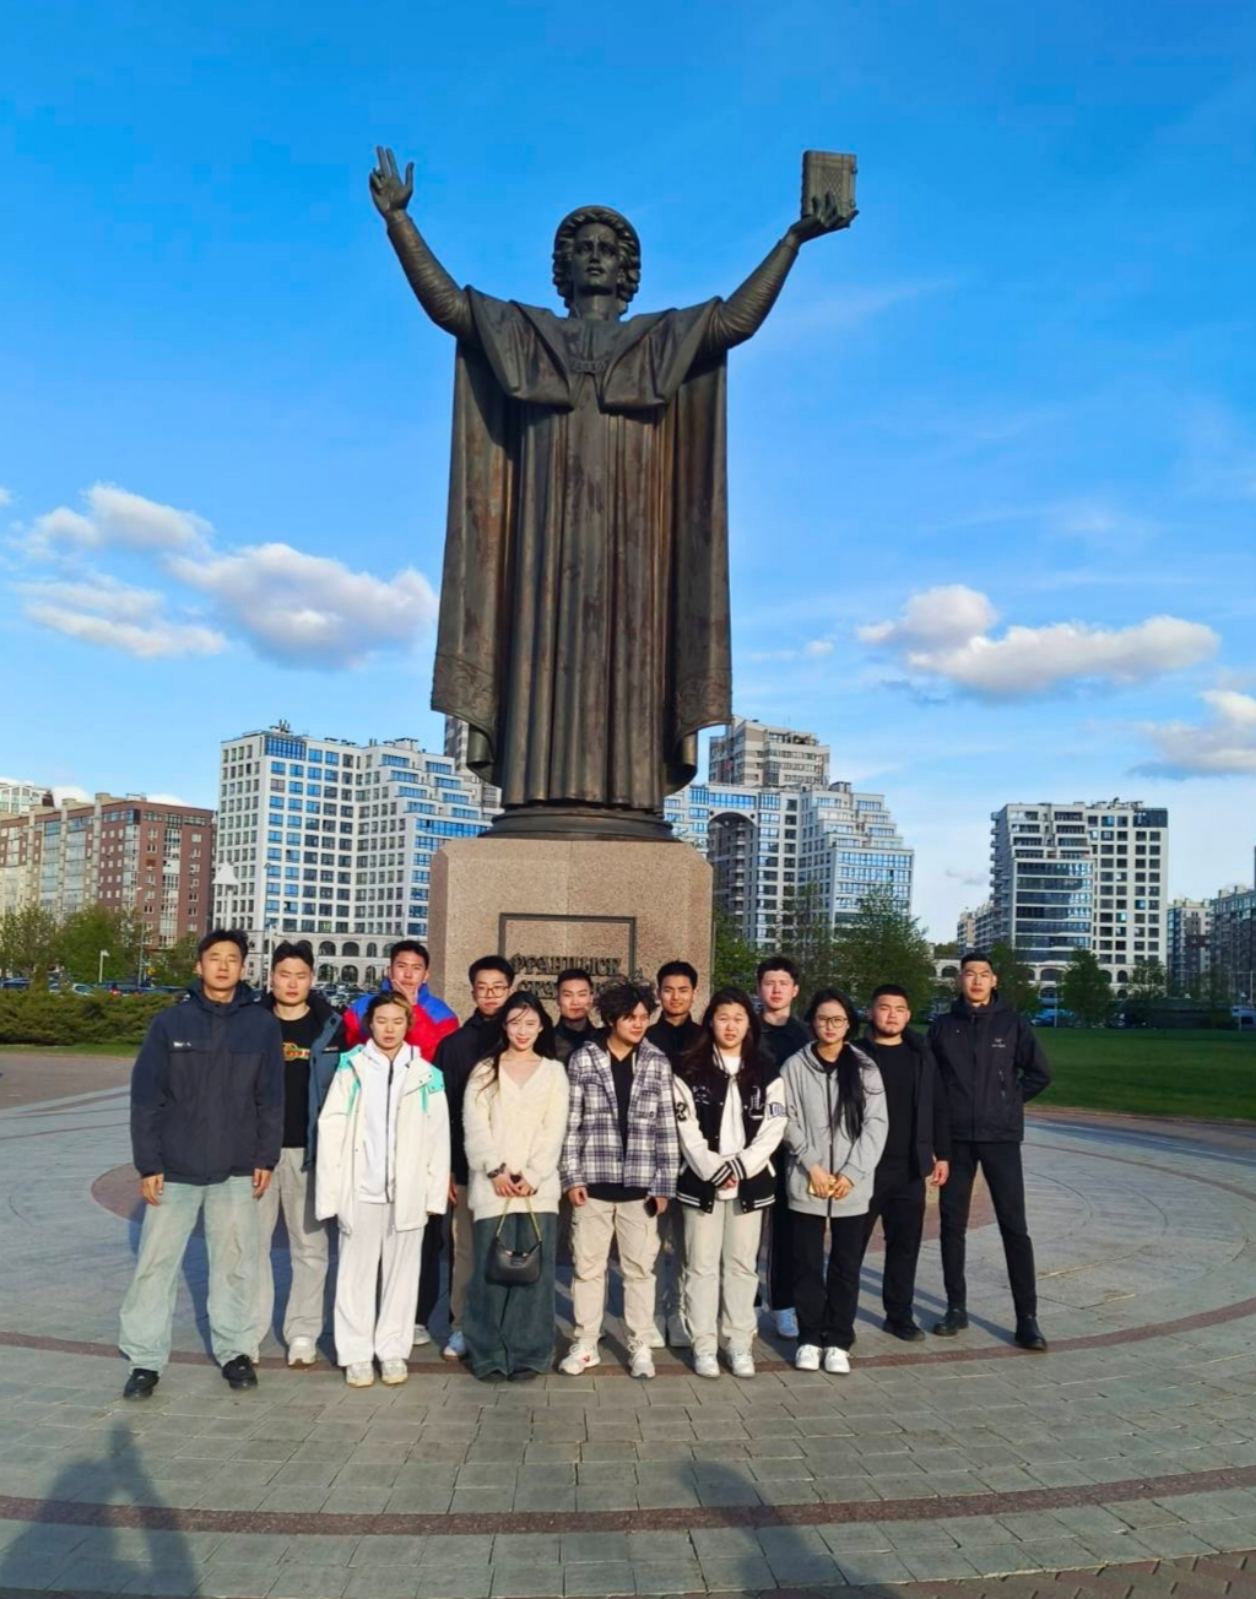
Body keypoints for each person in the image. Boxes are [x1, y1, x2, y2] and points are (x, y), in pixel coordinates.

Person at [119, 930, 283, 1400]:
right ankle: (145, 1360)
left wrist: (265, 1156)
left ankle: (236, 1351)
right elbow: (146, 1099)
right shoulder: (170, 1023)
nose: (224, 966)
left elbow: (271, 1098)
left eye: (233, 959)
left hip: (236, 1168)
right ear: (199, 966)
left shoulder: (261, 1026)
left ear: (243, 968)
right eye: (215, 958)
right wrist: (148, 1163)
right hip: (175, 1169)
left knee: (235, 1264)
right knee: (155, 1266)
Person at [316, 992, 450, 1387]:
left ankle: (392, 1350)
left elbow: (438, 1137)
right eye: (381, 1021)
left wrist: (432, 1194)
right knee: (354, 1275)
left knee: (402, 1277)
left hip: (407, 1193)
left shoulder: (426, 1074)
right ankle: (355, 1353)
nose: (389, 1029)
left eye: (397, 1021)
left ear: (408, 1025)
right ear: (369, 1024)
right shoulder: (351, 1068)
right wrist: (332, 1192)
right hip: (360, 1189)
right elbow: (331, 1130)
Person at [928, 951, 1052, 1351]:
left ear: (994, 980)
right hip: (955, 1140)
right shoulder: (943, 1027)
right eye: (969, 974)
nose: (977, 980)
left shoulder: (1013, 1024)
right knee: (952, 1225)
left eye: (984, 974)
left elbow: (1040, 1073)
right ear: (959, 980)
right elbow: (930, 1083)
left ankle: (1027, 1318)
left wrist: (1008, 1102)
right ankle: (956, 1307)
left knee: (1014, 1226)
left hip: (1001, 1138)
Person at [559, 981, 679, 1379]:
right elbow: (571, 1122)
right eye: (630, 1017)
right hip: (593, 1182)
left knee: (639, 1270)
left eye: (644, 1017)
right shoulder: (585, 1059)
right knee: (588, 1268)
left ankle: (639, 1343)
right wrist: (571, 1175)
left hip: (640, 1186)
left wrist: (664, 1184)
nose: (639, 1024)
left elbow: (666, 1127)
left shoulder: (657, 1061)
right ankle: (586, 1342)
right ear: (612, 1018)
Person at [343, 940, 458, 1347]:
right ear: (389, 970)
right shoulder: (361, 1010)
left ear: (426, 974)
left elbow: (432, 1064)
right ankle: (365, 1317)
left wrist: (413, 1012)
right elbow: (355, 1056)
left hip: (416, 1132)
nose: (408, 974)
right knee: (367, 1237)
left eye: (415, 968)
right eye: (401, 966)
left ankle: (417, 1316)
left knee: (421, 1236)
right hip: (371, 1136)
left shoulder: (442, 1015)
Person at [674, 988, 786, 1379]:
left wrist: (742, 1165)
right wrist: (714, 1167)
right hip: (702, 1183)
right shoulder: (689, 1068)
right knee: (701, 1267)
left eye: (739, 1018)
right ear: (710, 1021)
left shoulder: (766, 1071)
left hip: (750, 1183)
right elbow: (685, 1127)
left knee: (741, 1266)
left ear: (749, 1024)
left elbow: (774, 1126)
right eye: (723, 1017)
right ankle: (704, 1345)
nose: (731, 1026)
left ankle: (739, 1343)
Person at [462, 993, 569, 1382]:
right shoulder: (484, 1071)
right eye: (514, 1023)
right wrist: (495, 1169)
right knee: (490, 1275)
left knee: (534, 1276)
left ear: (541, 1027)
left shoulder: (553, 1072)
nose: (522, 1031)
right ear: (503, 1026)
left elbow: (554, 1128)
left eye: (530, 1023)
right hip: (494, 1188)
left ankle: (530, 1352)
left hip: (538, 1192)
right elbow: (475, 1125)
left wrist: (535, 1175)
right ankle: (487, 1352)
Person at [781, 989, 887, 1374]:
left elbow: (876, 1125)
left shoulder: (864, 1067)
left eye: (838, 1020)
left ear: (849, 1024)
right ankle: (810, 1337)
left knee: (846, 1265)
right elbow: (785, 1118)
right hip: (807, 1180)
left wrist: (852, 1172)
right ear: (812, 1021)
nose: (830, 1026)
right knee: (807, 1265)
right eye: (824, 1019)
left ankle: (839, 1339)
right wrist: (811, 1164)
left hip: (849, 1184)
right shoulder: (794, 1066)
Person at [252, 940, 344, 1366]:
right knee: (251, 1245)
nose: (291, 983)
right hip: (257, 1152)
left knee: (310, 1246)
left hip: (309, 1153)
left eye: (300, 975)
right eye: (284, 974)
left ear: (312, 979)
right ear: (271, 977)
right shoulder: (251, 1022)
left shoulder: (331, 1027)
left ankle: (303, 1331)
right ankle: (248, 1330)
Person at [433, 955, 516, 1361]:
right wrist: (448, 1167)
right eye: (482, 988)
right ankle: (461, 1325)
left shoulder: (523, 1041)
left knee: (508, 1252)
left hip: (514, 1171)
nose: (490, 995)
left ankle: (504, 1326)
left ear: (510, 990)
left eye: (498, 987)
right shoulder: (454, 1045)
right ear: (472, 992)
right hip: (467, 1168)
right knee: (465, 1250)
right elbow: (443, 1112)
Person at [857, 985, 951, 1342]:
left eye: (899, 1009)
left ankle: (899, 1315)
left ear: (909, 1015)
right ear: (872, 1012)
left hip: (909, 1167)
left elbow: (938, 1105)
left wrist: (943, 1154)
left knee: (904, 1247)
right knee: (852, 1247)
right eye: (885, 1007)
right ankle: (837, 1317)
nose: (892, 1015)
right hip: (864, 1168)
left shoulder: (922, 1055)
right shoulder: (856, 1053)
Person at [646, 960, 702, 1346]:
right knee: (650, 1241)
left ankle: (678, 1312)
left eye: (683, 990)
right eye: (668, 990)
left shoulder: (706, 1037)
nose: (675, 997)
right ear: (659, 993)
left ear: (694, 993)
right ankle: (651, 1313)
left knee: (687, 1243)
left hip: (696, 1157)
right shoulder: (646, 1036)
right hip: (652, 1153)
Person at [756, 955, 810, 1342]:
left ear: (794, 989)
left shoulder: (805, 1036)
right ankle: (747, 1300)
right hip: (749, 1142)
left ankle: (784, 1304)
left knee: (787, 1229)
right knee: (746, 1227)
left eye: (783, 983)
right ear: (759, 988)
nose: (776, 990)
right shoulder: (745, 1029)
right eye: (769, 982)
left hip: (791, 1143)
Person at [553, 968, 602, 1064]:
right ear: (558, 999)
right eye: (567, 995)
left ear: (591, 998)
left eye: (582, 994)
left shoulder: (603, 1041)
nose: (575, 1002)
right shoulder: (544, 1043)